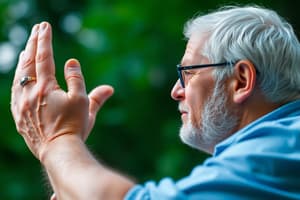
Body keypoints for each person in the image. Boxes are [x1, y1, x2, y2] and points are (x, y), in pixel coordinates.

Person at [10, 5, 300, 200]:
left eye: (187, 73)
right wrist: (67, 164)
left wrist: (57, 138)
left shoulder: (279, 149)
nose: (176, 91)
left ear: (241, 80)